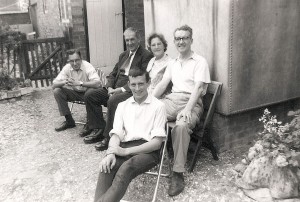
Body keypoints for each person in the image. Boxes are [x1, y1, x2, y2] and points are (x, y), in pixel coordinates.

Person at [153, 25, 211, 196]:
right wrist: (148, 101)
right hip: (173, 99)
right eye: (178, 38)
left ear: (191, 40)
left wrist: (187, 109)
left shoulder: (200, 62)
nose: (181, 41)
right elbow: (163, 84)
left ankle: (178, 174)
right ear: (174, 42)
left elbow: (199, 88)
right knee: (148, 112)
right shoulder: (173, 62)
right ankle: (146, 153)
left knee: (181, 126)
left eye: (185, 38)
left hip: (191, 102)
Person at [94, 69, 167, 202]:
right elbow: (116, 134)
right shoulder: (122, 106)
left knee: (125, 169)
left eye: (141, 84)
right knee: (106, 167)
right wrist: (110, 153)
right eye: (133, 84)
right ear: (128, 84)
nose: (137, 88)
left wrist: (125, 151)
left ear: (148, 83)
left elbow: (156, 143)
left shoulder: (158, 106)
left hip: (148, 151)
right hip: (124, 147)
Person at [93, 27, 152, 149]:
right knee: (91, 95)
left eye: (132, 39)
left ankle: (108, 137)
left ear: (139, 39)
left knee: (113, 100)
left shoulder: (146, 55)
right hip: (114, 89)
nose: (129, 43)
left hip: (131, 90)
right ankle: (98, 128)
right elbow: (113, 74)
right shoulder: (123, 55)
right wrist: (109, 87)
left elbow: (141, 78)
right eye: (127, 40)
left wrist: (121, 89)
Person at [52, 49, 107, 139]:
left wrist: (80, 83)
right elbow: (54, 85)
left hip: (89, 94)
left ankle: (90, 123)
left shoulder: (87, 66)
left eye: (77, 60)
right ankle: (69, 121)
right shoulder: (67, 67)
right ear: (69, 61)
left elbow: (98, 84)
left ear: (81, 59)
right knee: (57, 91)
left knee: (89, 92)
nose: (74, 63)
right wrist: (65, 81)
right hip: (76, 93)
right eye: (71, 61)